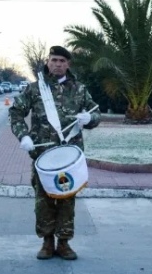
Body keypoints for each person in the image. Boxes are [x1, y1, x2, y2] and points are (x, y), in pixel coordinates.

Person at [9, 45, 101, 260]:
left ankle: (65, 243)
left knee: (67, 198)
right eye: (54, 60)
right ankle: (47, 242)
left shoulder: (79, 89)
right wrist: (23, 135)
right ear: (47, 62)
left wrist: (90, 119)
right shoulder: (34, 89)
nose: (58, 64)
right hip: (43, 153)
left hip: (70, 155)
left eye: (62, 61)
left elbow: (95, 114)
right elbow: (15, 113)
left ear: (68, 64)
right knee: (43, 199)